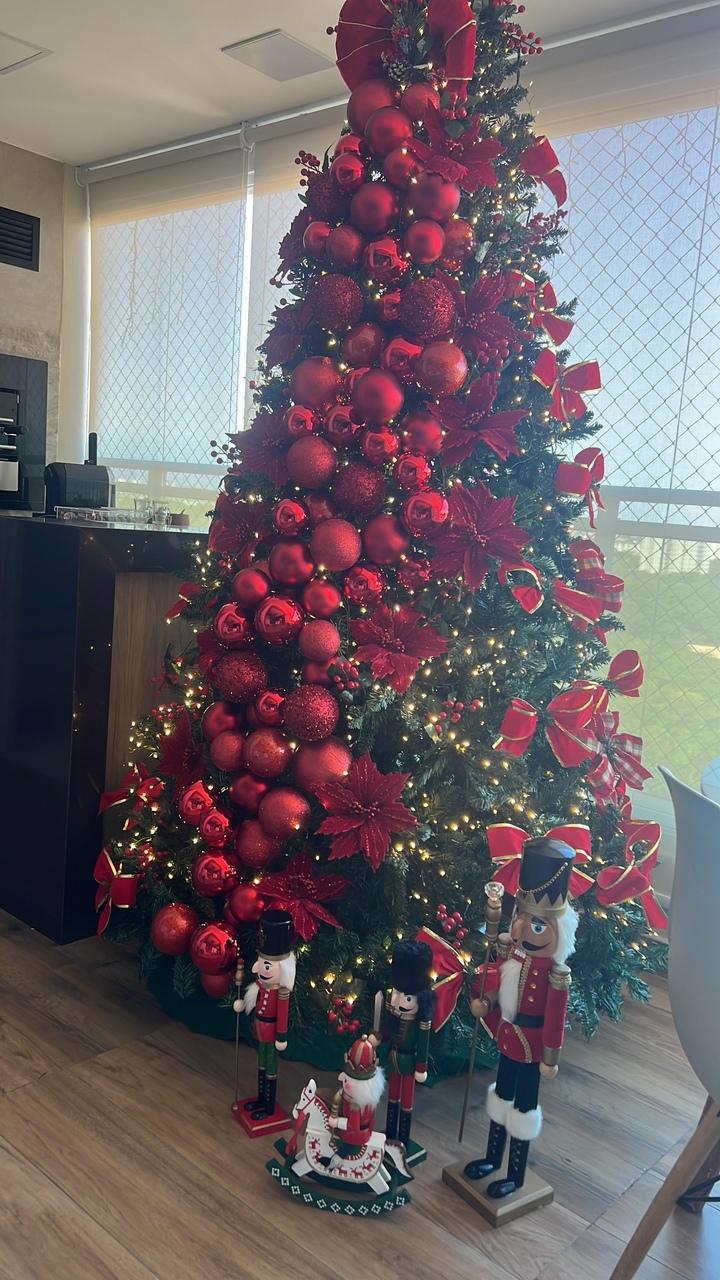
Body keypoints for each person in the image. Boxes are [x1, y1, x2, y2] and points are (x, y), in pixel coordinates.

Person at [464, 837, 578, 1198]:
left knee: (524, 1106)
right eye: (522, 920)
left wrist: (551, 1058)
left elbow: (556, 1016)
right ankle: (490, 1158)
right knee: (501, 1096)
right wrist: (486, 1002)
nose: (523, 930)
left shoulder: (555, 973)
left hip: (531, 1047)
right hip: (508, 1038)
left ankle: (515, 1174)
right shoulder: (511, 954)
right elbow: (496, 981)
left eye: (537, 926)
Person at [369, 939, 434, 1149]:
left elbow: (423, 1044)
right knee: (393, 1098)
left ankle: (403, 1138)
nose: (397, 1002)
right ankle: (389, 1132)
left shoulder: (421, 1022)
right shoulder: (394, 1016)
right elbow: (387, 1032)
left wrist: (421, 1067)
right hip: (394, 1060)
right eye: (396, 995)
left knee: (406, 1101)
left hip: (409, 1062)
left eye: (405, 998)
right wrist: (378, 1037)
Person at [234, 909, 296, 1121]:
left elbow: (283, 1015)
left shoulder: (281, 993)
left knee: (270, 1065)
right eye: (262, 962)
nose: (261, 968)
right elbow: (255, 1000)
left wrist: (281, 1036)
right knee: (261, 1063)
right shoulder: (260, 985)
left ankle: (269, 1106)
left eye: (267, 965)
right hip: (260, 1027)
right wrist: (242, 1004)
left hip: (272, 1031)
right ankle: (260, 1099)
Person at [325, 1035, 386, 1170]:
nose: (343, 1081)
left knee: (343, 1148)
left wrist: (336, 1122)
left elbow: (352, 1125)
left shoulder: (355, 1105)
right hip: (365, 1129)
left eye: (347, 1080)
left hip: (355, 1135)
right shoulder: (367, 1098)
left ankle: (334, 1162)